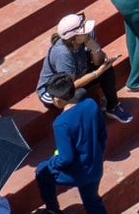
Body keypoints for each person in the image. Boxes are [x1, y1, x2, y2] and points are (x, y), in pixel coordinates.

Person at [36, 74, 110, 214]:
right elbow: (102, 135)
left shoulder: (60, 123)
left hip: (77, 172)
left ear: (58, 99)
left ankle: (53, 210)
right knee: (91, 199)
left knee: (42, 171)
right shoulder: (91, 105)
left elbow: (66, 158)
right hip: (95, 166)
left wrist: (52, 163)